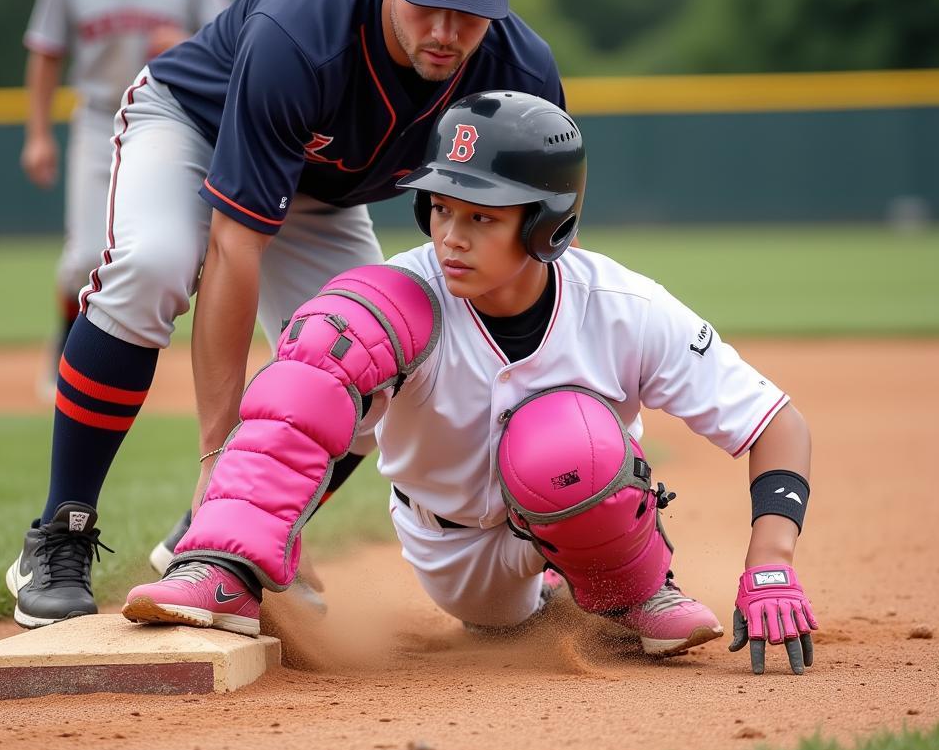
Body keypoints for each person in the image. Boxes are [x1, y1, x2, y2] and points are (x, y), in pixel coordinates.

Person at [6, 0, 566, 630]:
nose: (444, 29)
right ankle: (58, 533)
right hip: (194, 124)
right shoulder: (303, 32)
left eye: (469, 10)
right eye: (427, 0)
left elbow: (540, 262)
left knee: (372, 369)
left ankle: (235, 538)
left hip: (322, 190)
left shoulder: (519, 72)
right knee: (154, 265)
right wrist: (216, 463)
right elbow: (235, 247)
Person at [123, 91, 818, 675]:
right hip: (457, 553)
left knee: (566, 440)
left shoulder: (622, 308)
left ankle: (626, 595)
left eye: (482, 217)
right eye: (442, 207)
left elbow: (775, 423)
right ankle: (220, 566)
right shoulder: (405, 295)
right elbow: (296, 417)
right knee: (331, 336)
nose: (451, 236)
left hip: (590, 509)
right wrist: (233, 546)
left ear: (549, 228)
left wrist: (772, 560)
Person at [21, 0, 231, 389]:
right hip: (98, 119)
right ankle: (66, 345)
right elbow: (46, 54)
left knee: (182, 250)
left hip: (175, 119)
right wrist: (39, 134)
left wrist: (184, 43)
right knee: (85, 257)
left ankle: (133, 355)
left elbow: (236, 40)